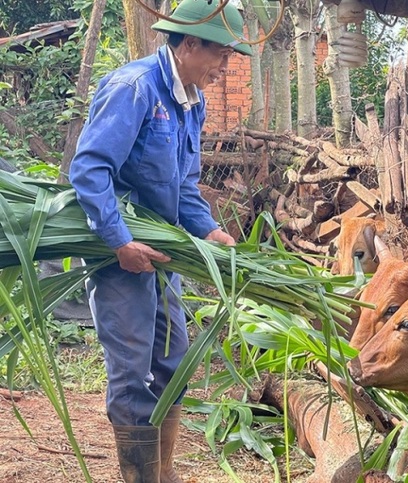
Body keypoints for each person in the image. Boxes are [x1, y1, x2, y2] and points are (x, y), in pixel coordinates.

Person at [69, 1, 252, 481]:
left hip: (162, 255)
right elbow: (90, 170)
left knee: (174, 361)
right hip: (121, 254)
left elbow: (185, 187)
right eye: (221, 55)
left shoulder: (192, 99)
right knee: (132, 372)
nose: (223, 68)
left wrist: (209, 229)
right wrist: (119, 242)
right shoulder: (135, 88)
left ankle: (162, 472)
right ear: (190, 44)